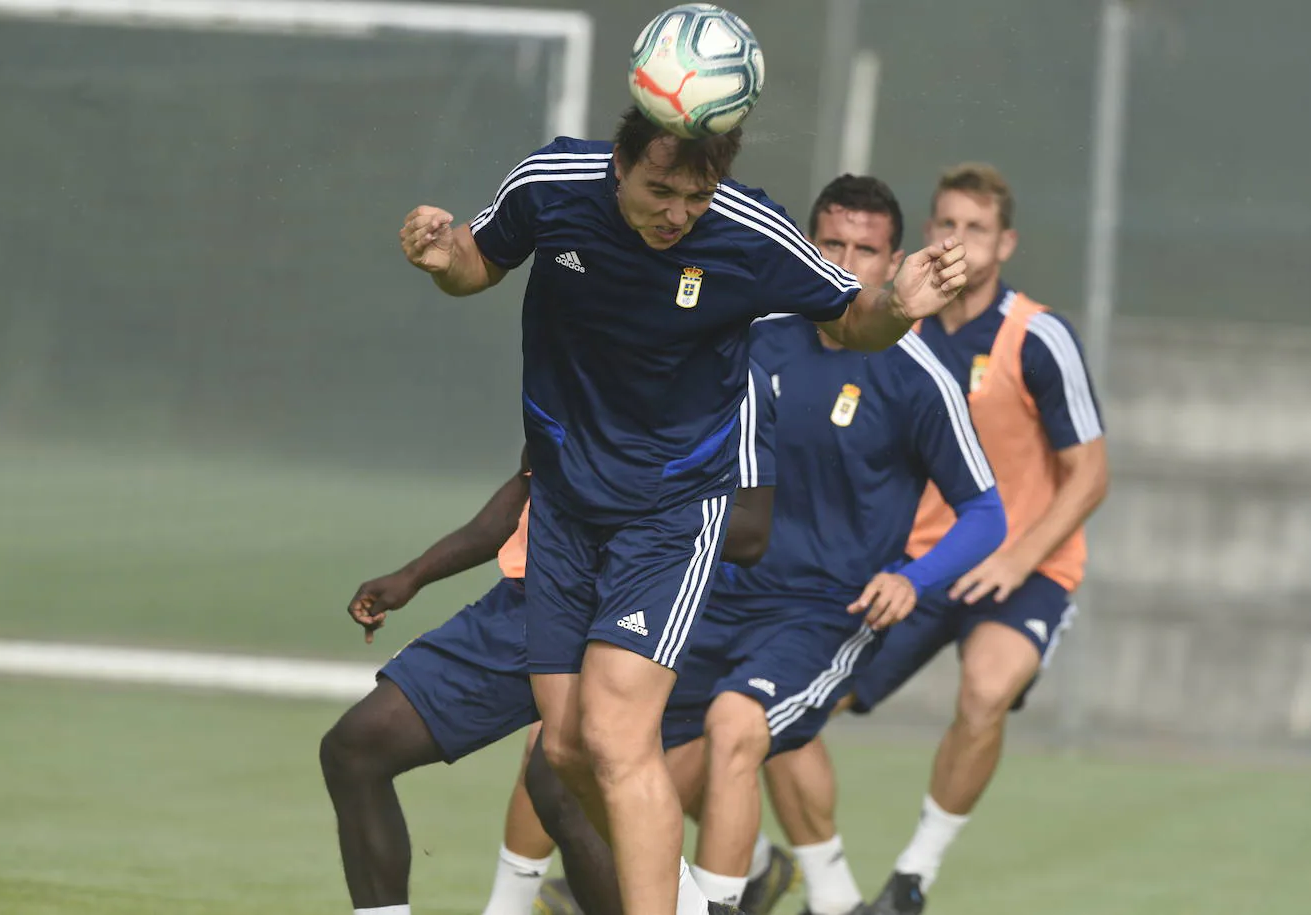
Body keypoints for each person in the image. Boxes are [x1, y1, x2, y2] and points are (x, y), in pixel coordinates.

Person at [397, 106, 968, 915]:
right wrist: (440, 255)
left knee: (619, 740)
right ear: (618, 164)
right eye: (659, 191)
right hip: (565, 504)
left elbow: (854, 320)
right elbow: (477, 262)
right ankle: (689, 901)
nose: (677, 215)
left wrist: (899, 303)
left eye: (695, 197)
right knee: (563, 747)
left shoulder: (749, 228)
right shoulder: (553, 183)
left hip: (671, 510)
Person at [759, 162, 1109, 915]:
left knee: (985, 687)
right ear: (924, 239)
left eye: (976, 228)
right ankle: (826, 888)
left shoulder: (1037, 336)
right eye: (946, 224)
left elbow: (1090, 475)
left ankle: (914, 875)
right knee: (779, 706)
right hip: (912, 562)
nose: (958, 240)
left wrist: (1017, 555)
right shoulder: (890, 325)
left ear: (1005, 243)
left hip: (1024, 564)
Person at [321, 362, 779, 915]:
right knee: (356, 749)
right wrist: (414, 575)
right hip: (526, 598)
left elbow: (750, 532)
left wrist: (619, 503)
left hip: (633, 602)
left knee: (564, 780)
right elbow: (526, 485)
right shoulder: (578, 341)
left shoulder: (728, 370)